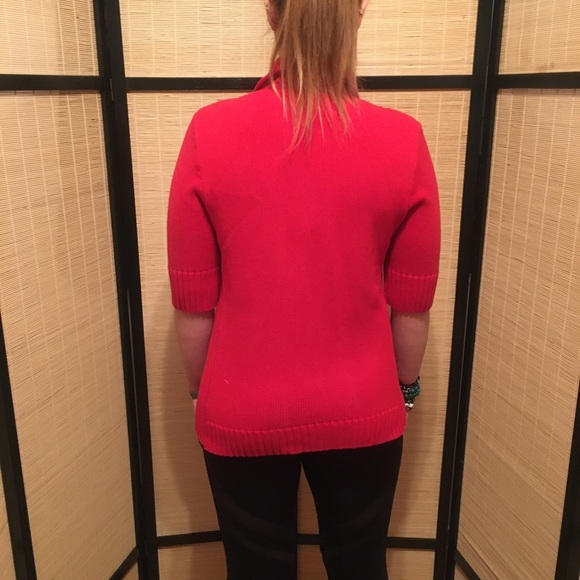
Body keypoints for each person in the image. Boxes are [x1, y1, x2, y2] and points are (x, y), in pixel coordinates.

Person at [167, 0, 440, 578]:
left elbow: (194, 310)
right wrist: (406, 391)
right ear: (359, 12)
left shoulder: (208, 133)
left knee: (255, 570)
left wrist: (200, 392)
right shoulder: (404, 140)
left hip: (240, 407)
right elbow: (411, 311)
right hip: (363, 405)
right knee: (360, 566)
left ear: (271, 13)